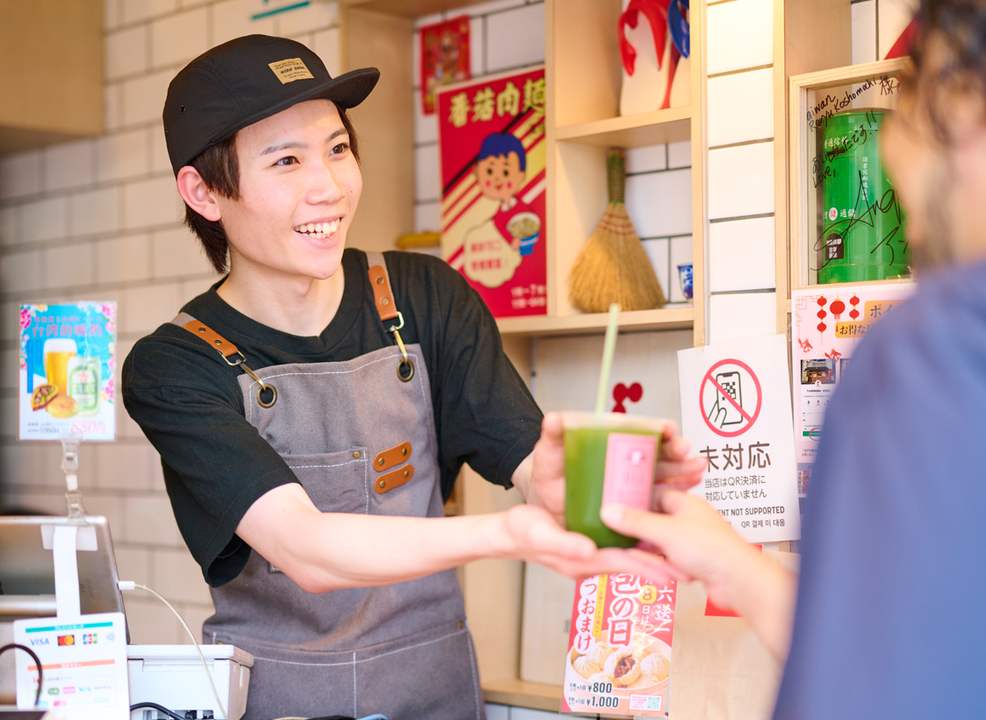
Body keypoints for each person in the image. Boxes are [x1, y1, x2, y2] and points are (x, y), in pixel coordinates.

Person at [121, 35, 705, 720]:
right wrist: (509, 535)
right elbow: (306, 549)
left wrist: (580, 487)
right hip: (283, 703)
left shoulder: (425, 297)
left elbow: (526, 458)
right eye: (287, 160)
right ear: (204, 192)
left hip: (436, 694)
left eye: (338, 148)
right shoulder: (174, 367)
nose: (329, 187)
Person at [601, 1, 986, 718]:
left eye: (905, 96)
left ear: (972, 87)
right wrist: (737, 567)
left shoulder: (961, 344)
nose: (892, 159)